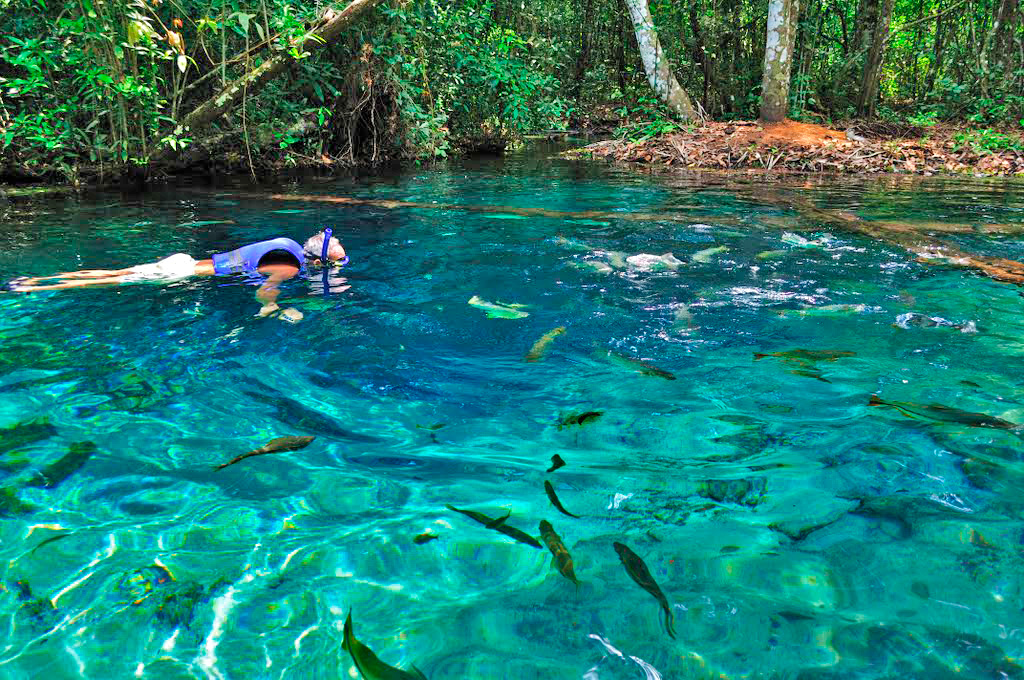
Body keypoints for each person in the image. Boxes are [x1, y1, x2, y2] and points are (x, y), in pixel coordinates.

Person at [4, 230, 347, 323]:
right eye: (336, 263)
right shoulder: (289, 267)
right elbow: (263, 296)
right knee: (115, 281)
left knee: (118, 272)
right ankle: (33, 286)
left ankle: (40, 279)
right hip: (179, 272)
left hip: (186, 262)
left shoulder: (288, 243)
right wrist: (276, 310)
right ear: (318, 262)